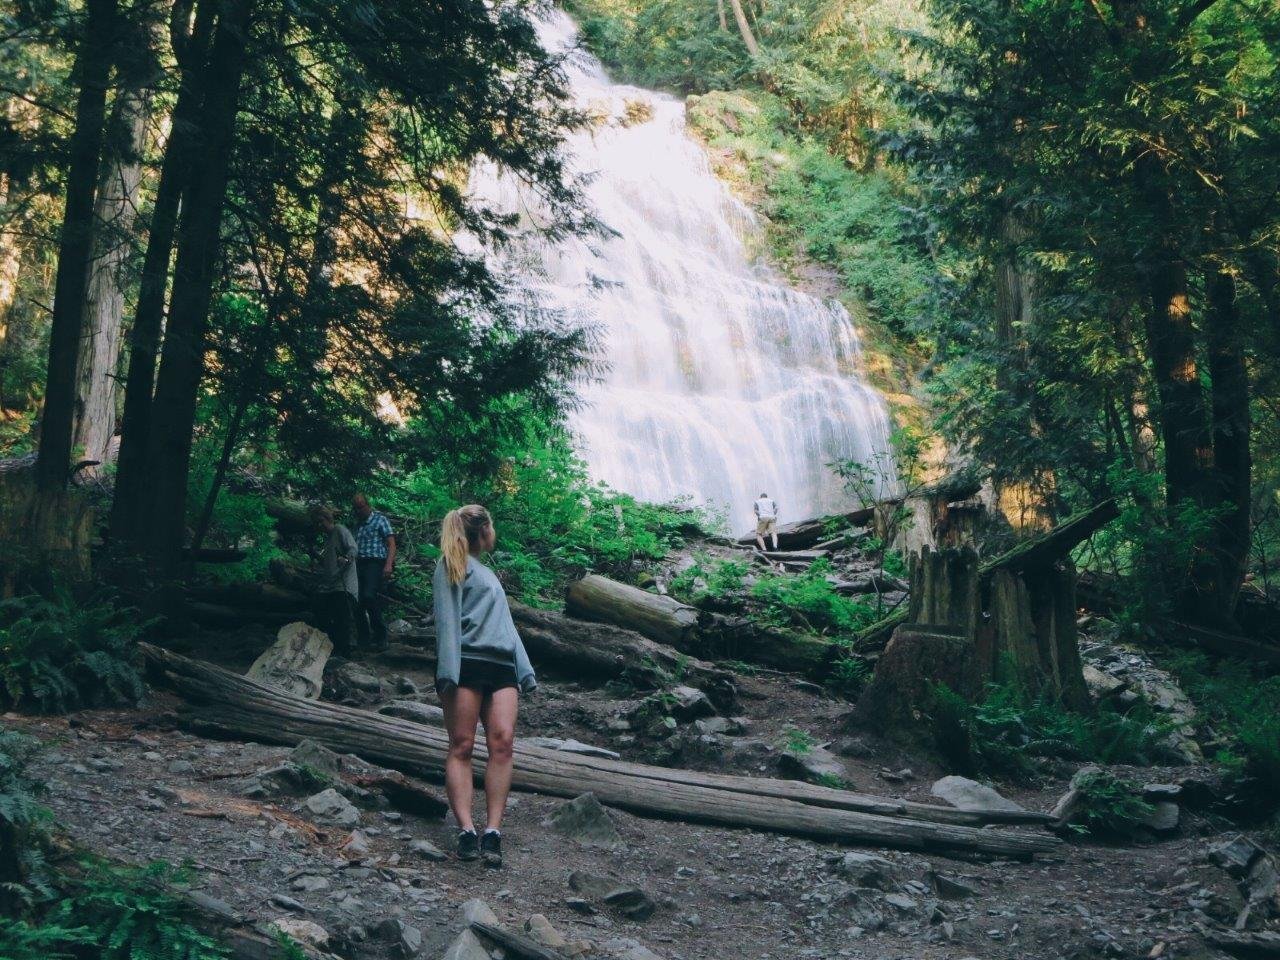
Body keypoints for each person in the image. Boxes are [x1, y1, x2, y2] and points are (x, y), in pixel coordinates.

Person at [433, 504, 536, 868]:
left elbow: (506, 625)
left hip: (502, 666)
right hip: (468, 665)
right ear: (484, 530)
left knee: (502, 743)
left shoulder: (490, 574)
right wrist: (447, 672)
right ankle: (466, 829)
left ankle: (493, 831)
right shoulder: (451, 565)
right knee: (461, 745)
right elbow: (446, 622)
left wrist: (524, 669)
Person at [311, 505, 358, 657]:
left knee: (342, 618)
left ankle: (346, 651)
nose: (319, 526)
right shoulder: (328, 539)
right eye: (316, 523)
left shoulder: (339, 530)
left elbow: (353, 549)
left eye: (321, 521)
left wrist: (346, 559)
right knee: (326, 614)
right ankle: (335, 648)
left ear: (327, 518)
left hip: (343, 584)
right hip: (331, 585)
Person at [352, 493, 396, 651]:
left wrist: (388, 565)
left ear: (367, 505)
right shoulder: (357, 525)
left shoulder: (380, 520)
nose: (359, 511)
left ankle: (381, 635)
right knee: (356, 602)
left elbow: (391, 544)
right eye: (356, 508)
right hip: (358, 564)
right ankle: (364, 639)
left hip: (375, 562)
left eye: (361, 507)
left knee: (369, 596)